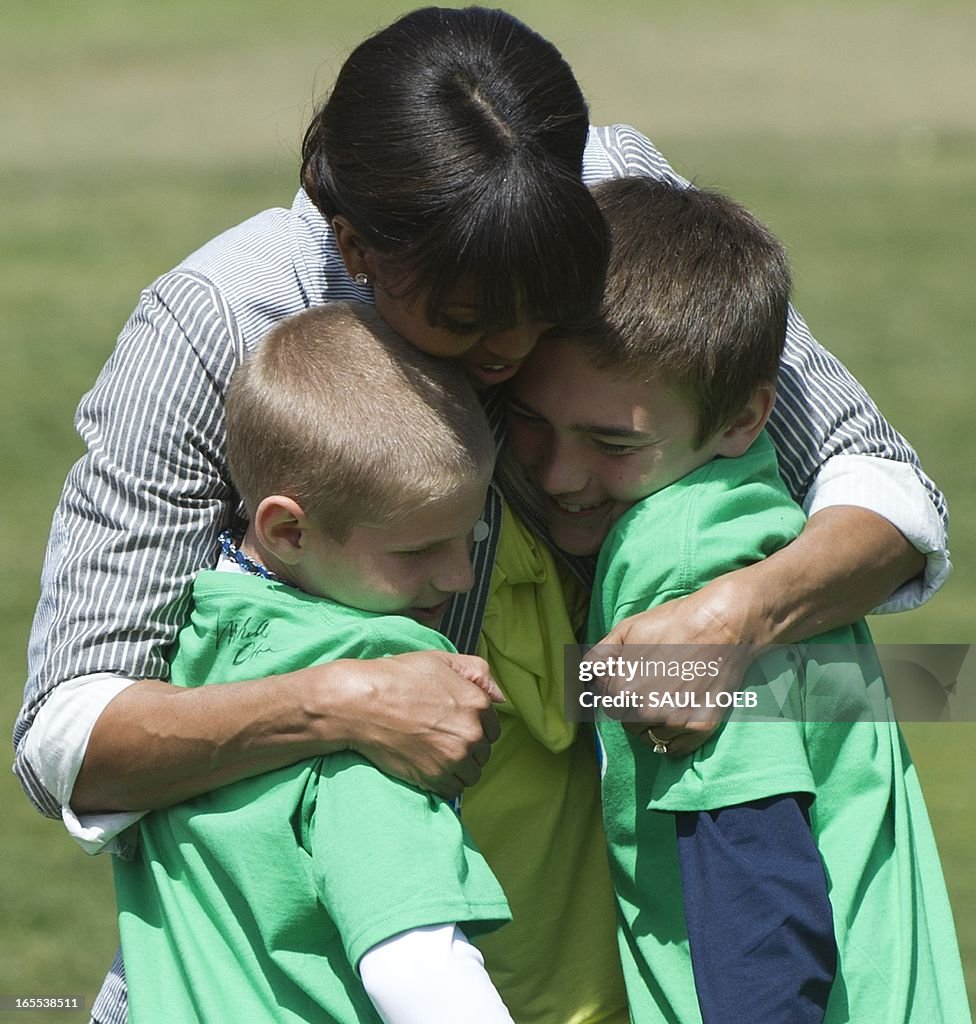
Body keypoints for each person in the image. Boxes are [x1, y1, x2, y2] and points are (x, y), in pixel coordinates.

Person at [12, 6, 948, 1024]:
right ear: (355, 247)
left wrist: (739, 621)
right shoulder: (213, 324)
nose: (509, 349)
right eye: (460, 319)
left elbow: (883, 487)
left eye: (545, 302)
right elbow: (67, 740)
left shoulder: (610, 189)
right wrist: (339, 702)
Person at [506, 177, 971, 1023]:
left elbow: (760, 901)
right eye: (531, 421)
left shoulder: (677, 568)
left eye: (613, 442)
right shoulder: (752, 515)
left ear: (744, 417)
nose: (557, 475)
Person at [114, 302, 514, 1024]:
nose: (459, 576)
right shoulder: (389, 684)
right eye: (419, 550)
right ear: (288, 530)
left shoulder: (192, 641)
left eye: (473, 531)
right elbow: (417, 962)